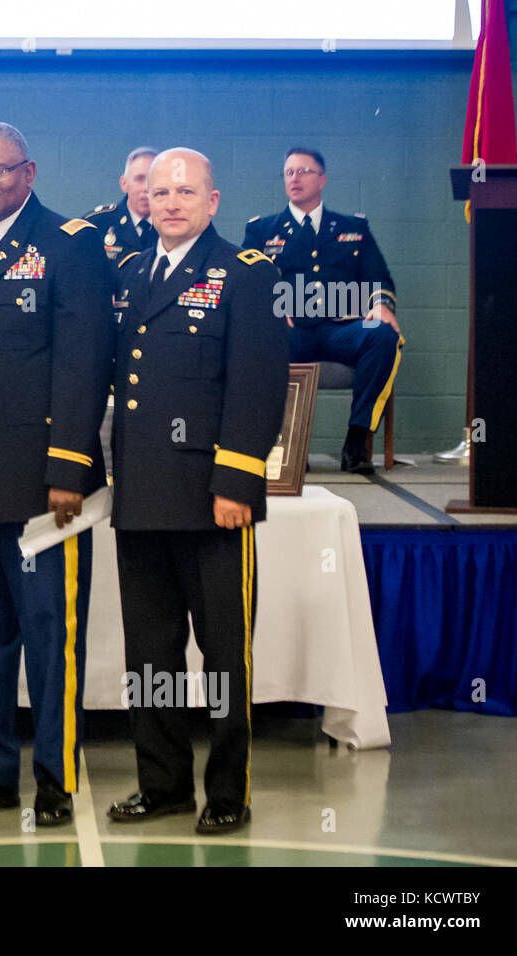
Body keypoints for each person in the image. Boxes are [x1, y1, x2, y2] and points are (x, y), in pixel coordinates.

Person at [0, 122, 116, 827]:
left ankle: (56, 778)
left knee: (50, 639)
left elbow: (83, 363)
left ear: (28, 173)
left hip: (46, 490)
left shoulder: (71, 245)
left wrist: (68, 467)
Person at [107, 148, 288, 835]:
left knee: (222, 657)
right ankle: (163, 785)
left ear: (213, 201)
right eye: (159, 191)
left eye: (186, 191)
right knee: (150, 656)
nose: (171, 202)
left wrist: (238, 477)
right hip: (143, 497)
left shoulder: (246, 275)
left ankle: (228, 793)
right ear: (143, 200)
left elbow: (258, 383)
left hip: (215, 500)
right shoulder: (130, 274)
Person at [243, 147, 401, 474]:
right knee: (258, 343)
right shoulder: (262, 229)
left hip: (342, 330)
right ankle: (286, 446)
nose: (295, 178)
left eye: (303, 171)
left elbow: (377, 275)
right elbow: (247, 280)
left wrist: (381, 305)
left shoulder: (353, 228)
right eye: (289, 172)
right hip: (291, 332)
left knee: (383, 335)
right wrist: (267, 307)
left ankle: (357, 441)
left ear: (322, 179)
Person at [85, 146, 159, 262]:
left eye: (153, 180)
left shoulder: (174, 226)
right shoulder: (96, 224)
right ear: (124, 183)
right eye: (139, 179)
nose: (146, 187)